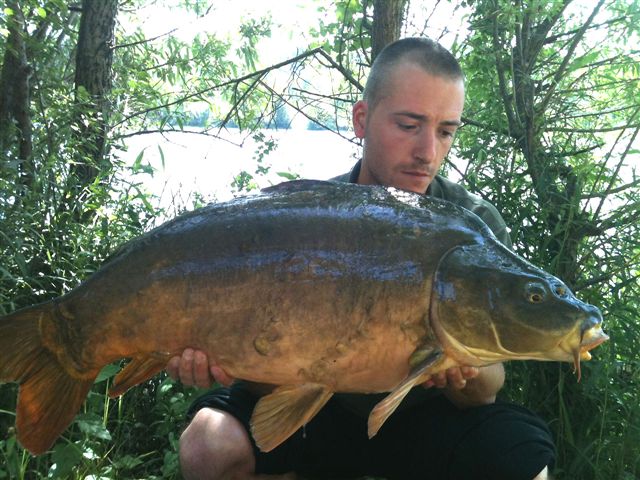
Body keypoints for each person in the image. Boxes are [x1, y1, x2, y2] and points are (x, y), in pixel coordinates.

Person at [167, 37, 556, 480]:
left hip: (421, 415)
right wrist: (223, 359)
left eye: (445, 130)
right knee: (209, 445)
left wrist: (463, 372)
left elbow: (487, 393)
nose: (428, 151)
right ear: (362, 119)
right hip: (318, 408)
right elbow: (270, 380)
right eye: (409, 125)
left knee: (524, 464)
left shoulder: (472, 225)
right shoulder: (311, 218)